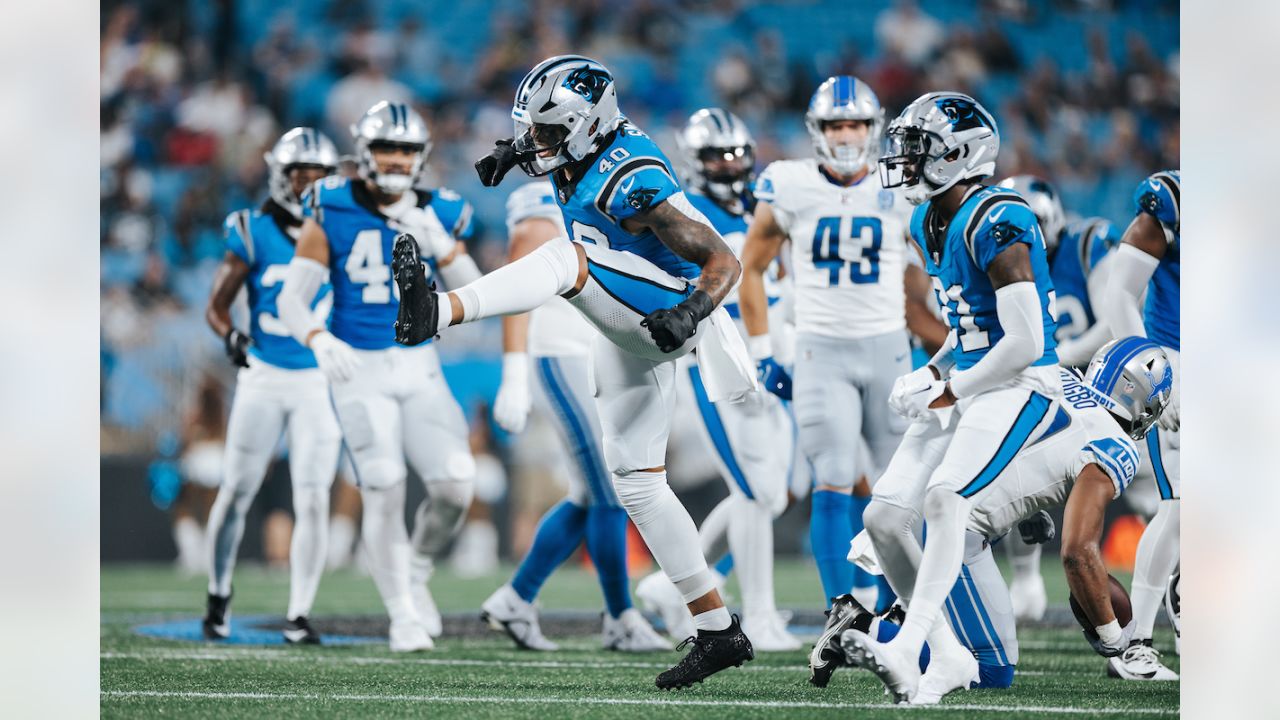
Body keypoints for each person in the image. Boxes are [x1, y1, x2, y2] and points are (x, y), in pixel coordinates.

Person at [394, 55, 757, 689]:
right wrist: (512, 153)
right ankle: (718, 629)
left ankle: (440, 310)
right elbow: (550, 145)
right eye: (528, 131)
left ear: (588, 126)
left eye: (545, 133)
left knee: (568, 259)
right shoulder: (581, 146)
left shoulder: (632, 177)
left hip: (668, 308)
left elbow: (724, 261)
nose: (535, 143)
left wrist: (691, 311)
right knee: (636, 486)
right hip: (628, 309)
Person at [846, 91, 1063, 705]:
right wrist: (933, 371)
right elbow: (970, 327)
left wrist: (949, 389)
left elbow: (1025, 343)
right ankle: (946, 650)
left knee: (945, 500)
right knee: (883, 520)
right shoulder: (926, 219)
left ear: (961, 155)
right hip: (971, 380)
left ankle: (906, 643)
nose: (906, 163)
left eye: (919, 151)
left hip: (1022, 385)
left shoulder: (999, 216)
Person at [840, 339, 1173, 701]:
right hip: (951, 524)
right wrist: (1114, 638)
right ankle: (867, 628)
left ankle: (892, 625)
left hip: (916, 498)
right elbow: (1077, 554)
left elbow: (1015, 453)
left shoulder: (1056, 378)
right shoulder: (1116, 446)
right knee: (990, 669)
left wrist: (1027, 509)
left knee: (964, 632)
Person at [277, 101, 481, 652]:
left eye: (406, 149)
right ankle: (401, 615)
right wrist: (318, 339)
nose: (395, 159)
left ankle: (415, 568)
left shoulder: (442, 208)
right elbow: (292, 300)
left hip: (419, 364)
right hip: (358, 367)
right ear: (362, 154)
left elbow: (476, 288)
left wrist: (437, 241)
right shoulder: (332, 205)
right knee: (384, 485)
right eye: (386, 148)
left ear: (422, 156)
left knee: (457, 486)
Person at [738, 76, 946, 610]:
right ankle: (841, 613)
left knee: (895, 491)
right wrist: (763, 352)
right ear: (817, 130)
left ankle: (899, 614)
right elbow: (751, 269)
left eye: (855, 123)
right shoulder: (789, 183)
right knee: (831, 477)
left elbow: (935, 268)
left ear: (874, 129)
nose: (847, 133)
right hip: (820, 350)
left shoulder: (901, 185)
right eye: (836, 124)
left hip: (889, 349)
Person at [636, 107, 799, 651]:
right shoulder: (687, 210)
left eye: (736, 155)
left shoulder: (765, 204)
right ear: (695, 160)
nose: (729, 166)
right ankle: (759, 613)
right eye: (716, 157)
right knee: (754, 492)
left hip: (774, 352)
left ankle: (668, 585)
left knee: (773, 493)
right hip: (723, 357)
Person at [480, 181, 668, 653]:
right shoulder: (542, 198)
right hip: (560, 353)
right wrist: (514, 369)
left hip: (595, 353)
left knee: (587, 494)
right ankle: (620, 616)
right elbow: (517, 275)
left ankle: (516, 599)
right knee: (609, 491)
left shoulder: (603, 184)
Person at [201, 128, 342, 644]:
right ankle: (218, 593)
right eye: (298, 174)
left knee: (313, 497)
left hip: (316, 380)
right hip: (263, 375)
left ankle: (299, 613)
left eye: (316, 175)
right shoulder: (251, 228)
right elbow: (216, 306)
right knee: (236, 489)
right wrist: (232, 335)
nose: (306, 184)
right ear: (278, 175)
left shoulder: (340, 228)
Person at [993, 174, 1123, 622]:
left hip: (1106, 391)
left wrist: (1056, 357)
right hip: (1048, 387)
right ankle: (1026, 578)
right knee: (1013, 470)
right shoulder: (997, 260)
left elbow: (1113, 321)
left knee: (1151, 495)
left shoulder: (1088, 242)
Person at [1100, 170, 1181, 680]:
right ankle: (1138, 642)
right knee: (1181, 505)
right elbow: (1120, 294)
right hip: (1180, 356)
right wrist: (1152, 368)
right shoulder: (1173, 199)